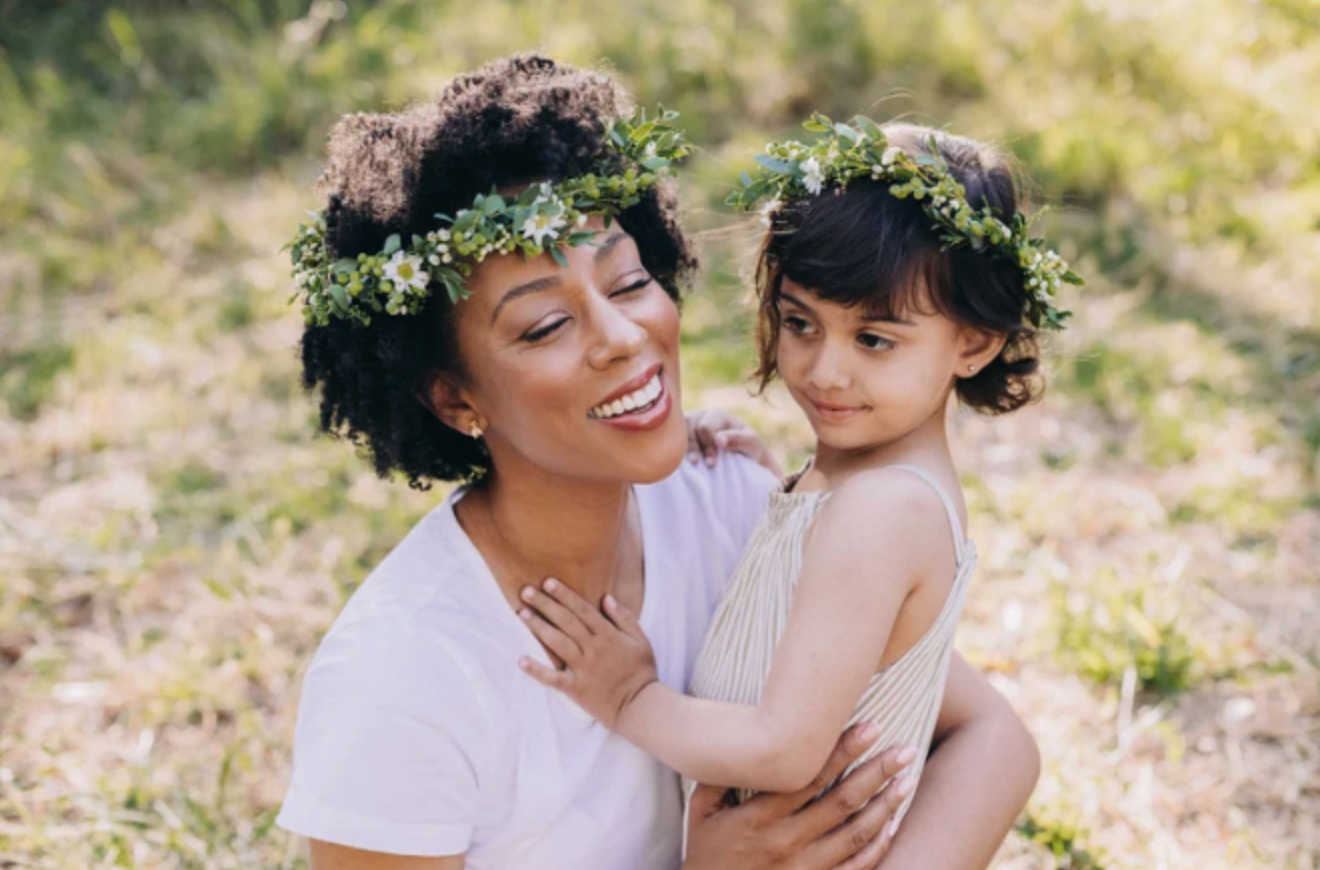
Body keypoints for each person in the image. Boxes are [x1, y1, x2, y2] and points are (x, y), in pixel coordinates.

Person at [275, 54, 1040, 870]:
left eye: (629, 280)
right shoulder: (399, 680)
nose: (622, 336)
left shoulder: (733, 502)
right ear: (454, 398)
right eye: (544, 328)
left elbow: (993, 738)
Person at [516, 116, 1078, 854]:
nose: (823, 370)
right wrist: (771, 476)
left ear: (973, 342)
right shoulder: (863, 484)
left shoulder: (882, 512)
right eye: (800, 323)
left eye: (874, 339)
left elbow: (784, 748)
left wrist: (629, 698)